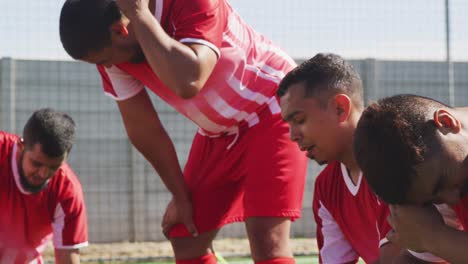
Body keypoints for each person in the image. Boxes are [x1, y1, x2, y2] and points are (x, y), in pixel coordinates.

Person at [59, 0, 307, 263]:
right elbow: (144, 129)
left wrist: (140, 15)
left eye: (105, 59)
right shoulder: (112, 55)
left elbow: (189, 79)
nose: (106, 66)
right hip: (219, 133)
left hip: (272, 106)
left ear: (121, 31)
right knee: (186, 236)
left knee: (267, 240)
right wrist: (180, 195)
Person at [277, 54, 447, 264]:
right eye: (288, 125)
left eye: (299, 120)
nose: (292, 135)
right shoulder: (325, 187)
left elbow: (402, 259)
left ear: (340, 108)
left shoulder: (397, 160)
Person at [354, 94, 468, 264]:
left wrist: (433, 237)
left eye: (441, 182)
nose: (452, 198)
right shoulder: (437, 170)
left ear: (446, 123)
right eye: (435, 200)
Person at [0, 108, 88, 264]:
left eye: (54, 167)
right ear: (21, 146)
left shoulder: (67, 191)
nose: (42, 174)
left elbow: (67, 257)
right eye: (36, 163)